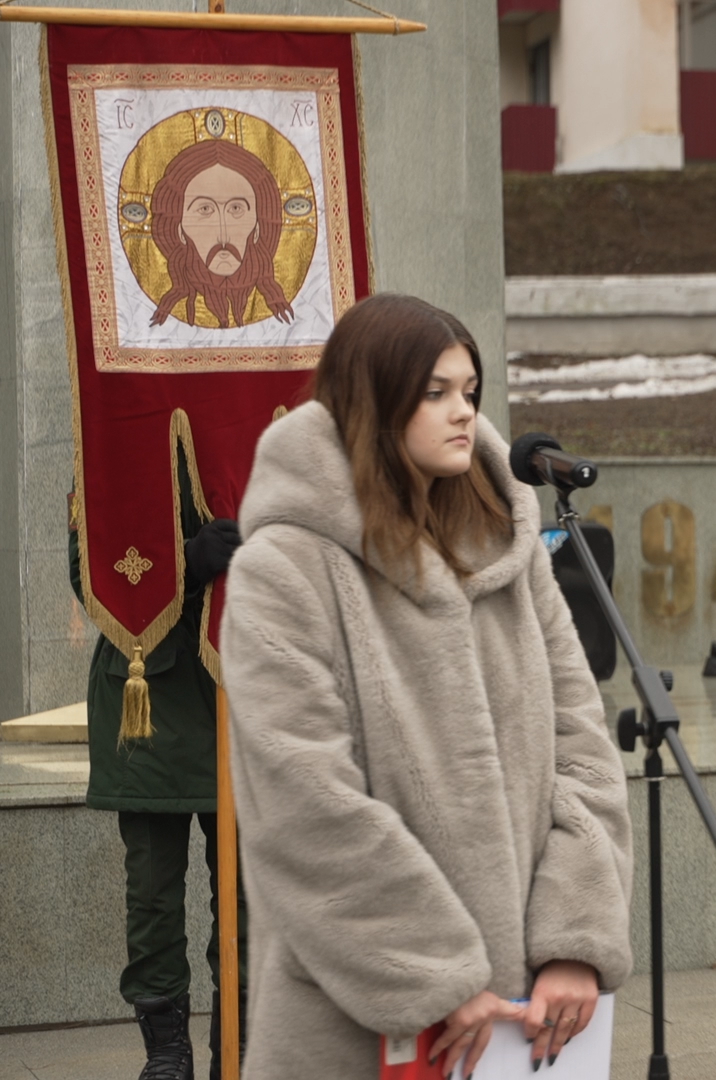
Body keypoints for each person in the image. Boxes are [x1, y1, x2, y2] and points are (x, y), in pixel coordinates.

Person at [221, 294, 634, 1077]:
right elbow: (303, 803)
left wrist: (573, 944)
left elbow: (582, 748)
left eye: (470, 391)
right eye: (435, 392)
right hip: (357, 1024)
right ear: (373, 402)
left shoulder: (507, 550)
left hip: (524, 1024)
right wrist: (436, 975)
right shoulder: (283, 569)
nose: (463, 413)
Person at [68, 468, 246, 1080]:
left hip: (240, 691)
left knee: (247, 900)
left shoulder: (253, 423)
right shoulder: (112, 437)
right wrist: (183, 565)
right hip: (148, 699)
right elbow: (87, 573)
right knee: (152, 899)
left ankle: (240, 1047)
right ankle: (167, 1052)